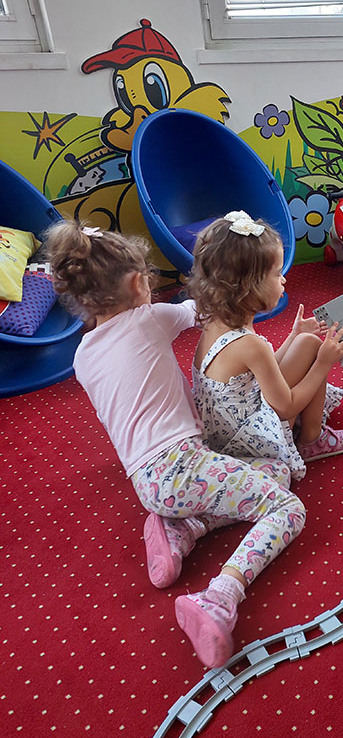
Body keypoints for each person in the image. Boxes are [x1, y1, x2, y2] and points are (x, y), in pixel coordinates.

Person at [45, 220, 308, 671]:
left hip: (147, 481)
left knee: (276, 471)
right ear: (138, 283)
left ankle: (183, 528)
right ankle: (219, 597)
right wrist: (238, 285)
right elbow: (205, 312)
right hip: (184, 464)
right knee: (288, 509)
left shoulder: (82, 356)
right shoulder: (152, 318)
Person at [189, 211, 343, 483]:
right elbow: (287, 406)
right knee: (316, 351)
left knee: (307, 342)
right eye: (277, 274)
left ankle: (310, 428)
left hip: (224, 426)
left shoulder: (216, 321)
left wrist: (293, 336)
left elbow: (259, 374)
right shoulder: (249, 344)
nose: (284, 280)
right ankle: (312, 439)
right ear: (249, 285)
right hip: (245, 440)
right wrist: (323, 362)